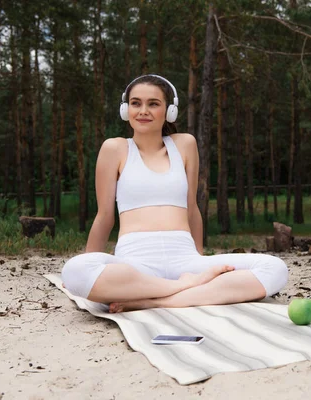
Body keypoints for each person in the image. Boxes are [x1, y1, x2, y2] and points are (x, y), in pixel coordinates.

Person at [61, 74, 288, 313]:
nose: (143, 111)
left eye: (153, 104)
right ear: (125, 110)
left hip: (184, 258)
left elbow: (192, 209)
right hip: (136, 262)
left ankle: (158, 300)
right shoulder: (114, 148)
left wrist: (197, 265)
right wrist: (89, 269)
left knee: (275, 268)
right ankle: (187, 290)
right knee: (76, 270)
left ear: (169, 111)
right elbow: (105, 216)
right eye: (136, 103)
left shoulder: (185, 145)